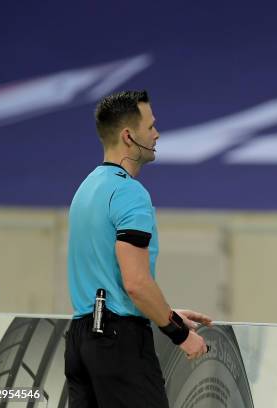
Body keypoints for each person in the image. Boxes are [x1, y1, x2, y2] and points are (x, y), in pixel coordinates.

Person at [65, 90, 211, 408]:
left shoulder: (85, 189)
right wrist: (180, 334)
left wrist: (165, 313)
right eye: (151, 127)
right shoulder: (129, 193)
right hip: (118, 343)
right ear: (129, 136)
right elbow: (136, 283)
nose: (157, 134)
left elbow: (107, 281)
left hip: (80, 340)